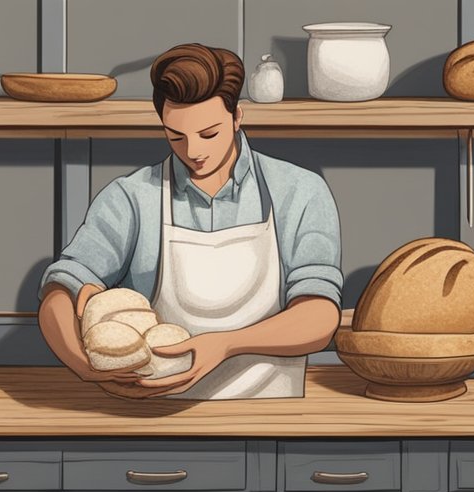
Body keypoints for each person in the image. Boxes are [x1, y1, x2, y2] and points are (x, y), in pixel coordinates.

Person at [38, 43, 342, 400]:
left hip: (270, 410)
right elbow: (59, 292)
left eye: (209, 134)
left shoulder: (300, 191)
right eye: (175, 136)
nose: (193, 151)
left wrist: (227, 345)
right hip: (157, 411)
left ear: (237, 117)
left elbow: (320, 316)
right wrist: (83, 365)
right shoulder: (132, 197)